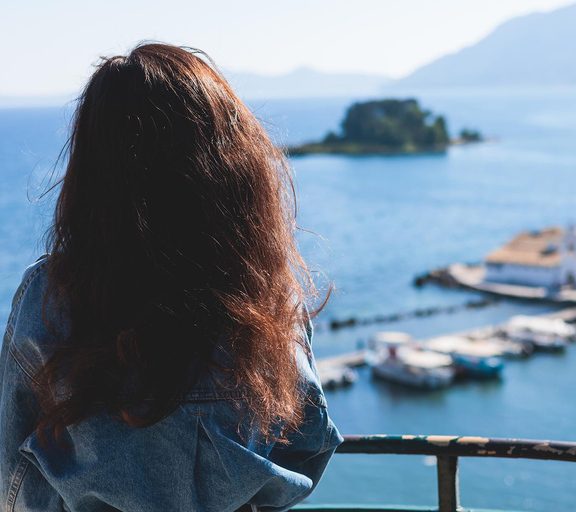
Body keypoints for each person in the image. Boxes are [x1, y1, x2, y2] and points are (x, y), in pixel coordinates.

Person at [0, 43, 342, 512]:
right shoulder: (265, 289)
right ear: (232, 165)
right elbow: (308, 440)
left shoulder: (51, 294)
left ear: (95, 167)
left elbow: (13, 469)